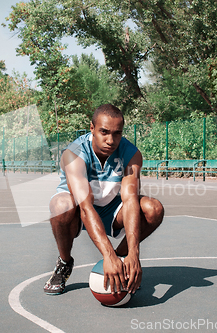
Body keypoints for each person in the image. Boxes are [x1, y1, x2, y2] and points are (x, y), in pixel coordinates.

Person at [44, 104, 164, 296]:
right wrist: (106, 254)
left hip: (111, 209)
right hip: (78, 211)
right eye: (104, 132)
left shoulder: (131, 153)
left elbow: (130, 200)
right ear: (92, 128)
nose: (111, 140)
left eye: (117, 133)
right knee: (61, 205)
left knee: (153, 208)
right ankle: (65, 263)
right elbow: (85, 207)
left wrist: (134, 253)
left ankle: (122, 261)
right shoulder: (73, 153)